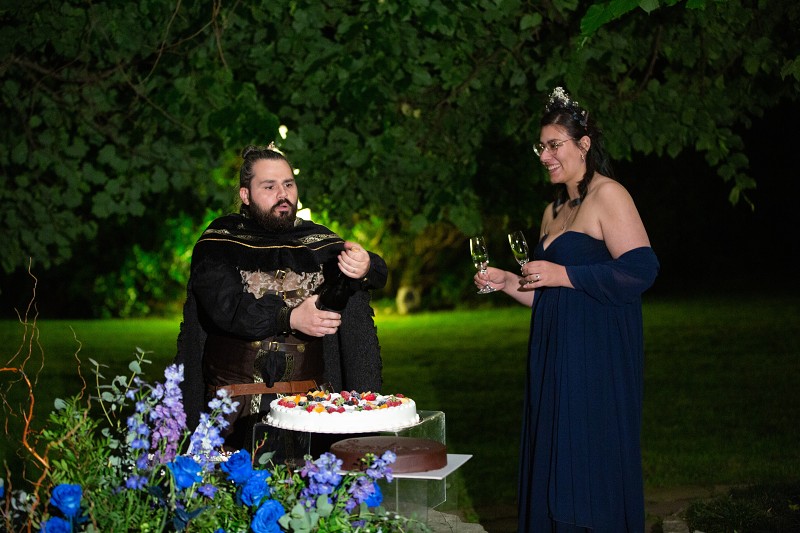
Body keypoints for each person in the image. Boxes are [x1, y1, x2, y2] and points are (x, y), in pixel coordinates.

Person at [475, 87, 660, 532]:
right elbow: (547, 293)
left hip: (598, 354)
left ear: (584, 144)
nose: (544, 156)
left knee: (589, 453)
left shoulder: (609, 195)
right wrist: (508, 282)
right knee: (553, 452)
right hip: (554, 353)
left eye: (554, 145)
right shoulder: (552, 210)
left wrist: (563, 275)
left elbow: (641, 269)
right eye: (541, 147)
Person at [176, 143, 387, 453]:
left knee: (310, 479)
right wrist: (289, 317)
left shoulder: (317, 241)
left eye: (288, 184)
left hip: (311, 408)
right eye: (269, 186)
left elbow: (371, 274)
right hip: (232, 410)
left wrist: (366, 265)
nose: (283, 194)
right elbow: (226, 307)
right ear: (246, 194)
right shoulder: (220, 242)